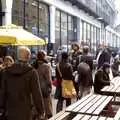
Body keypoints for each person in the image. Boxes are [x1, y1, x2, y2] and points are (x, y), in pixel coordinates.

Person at [0, 46, 45, 120]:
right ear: (28, 57)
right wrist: (41, 111)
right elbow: (37, 93)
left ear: (17, 56)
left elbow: (2, 91)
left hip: (10, 111)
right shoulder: (32, 72)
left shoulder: (6, 72)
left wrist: (1, 107)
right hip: (25, 111)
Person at [35, 50, 53, 119]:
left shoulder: (34, 65)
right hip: (44, 90)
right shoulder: (46, 66)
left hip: (36, 89)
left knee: (38, 108)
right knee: (47, 107)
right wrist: (50, 88)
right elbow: (49, 80)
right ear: (44, 57)